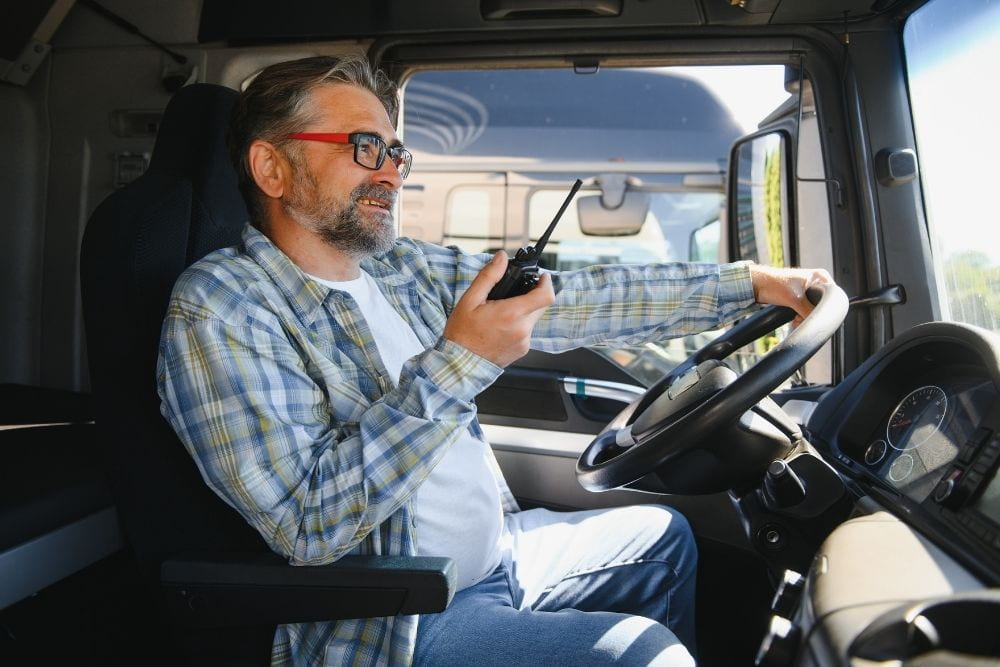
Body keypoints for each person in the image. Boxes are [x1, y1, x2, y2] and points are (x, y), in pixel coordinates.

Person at [157, 55, 832, 666]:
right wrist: (462, 361)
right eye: (365, 148)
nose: (391, 170)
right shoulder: (220, 307)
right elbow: (309, 523)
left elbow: (576, 299)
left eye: (395, 151)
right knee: (641, 653)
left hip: (500, 552)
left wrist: (748, 284)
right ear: (272, 168)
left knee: (663, 538)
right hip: (399, 618)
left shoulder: (397, 268)